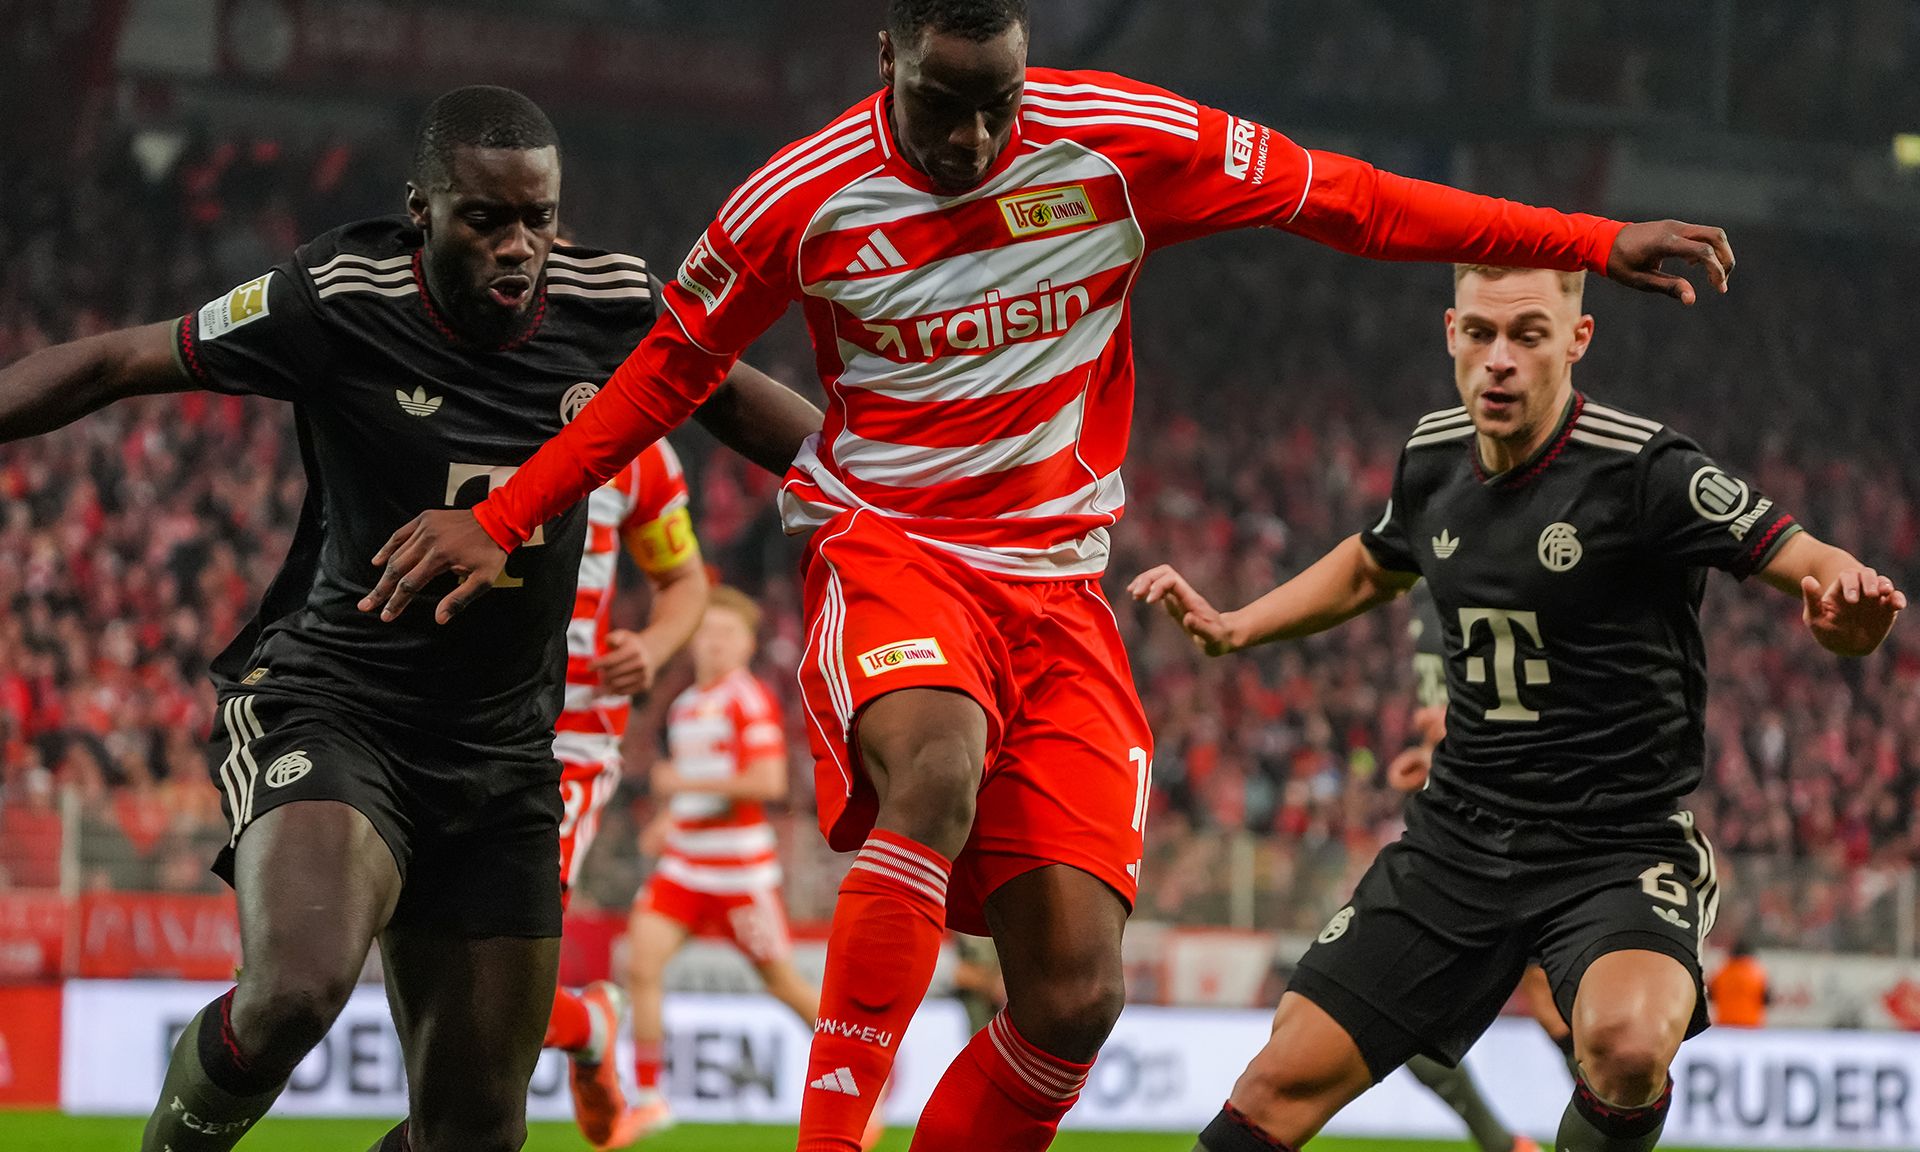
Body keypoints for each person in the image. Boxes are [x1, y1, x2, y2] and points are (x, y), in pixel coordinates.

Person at [359, 3, 1738, 1147]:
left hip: (1060, 590)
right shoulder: (799, 197)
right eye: (944, 104)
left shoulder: (1119, 139)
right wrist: (509, 514)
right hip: (891, 549)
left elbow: (1357, 202)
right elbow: (668, 372)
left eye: (998, 104)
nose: (974, 137)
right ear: (885, 49)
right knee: (936, 765)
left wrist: (1588, 241)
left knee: (1075, 995)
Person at [0, 85, 820, 1152]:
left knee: (477, 1131)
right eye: (487, 219)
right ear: (420, 210)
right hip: (336, 707)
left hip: (504, 748)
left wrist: (909, 499)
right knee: (297, 988)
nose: (519, 246)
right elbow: (118, 361)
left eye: (539, 218)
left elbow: (748, 403)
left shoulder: (614, 302)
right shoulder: (335, 296)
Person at [1129, 263, 1903, 1152]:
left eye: (1529, 335)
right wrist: (1236, 626)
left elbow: (1809, 559)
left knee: (1624, 1047)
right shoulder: (1430, 457)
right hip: (1459, 838)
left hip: (1616, 846)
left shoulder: (1647, 469)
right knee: (1275, 1085)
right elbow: (1373, 562)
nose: (1500, 359)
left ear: (1576, 342)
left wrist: (1849, 615)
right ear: (1450, 332)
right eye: (1482, 335)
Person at [616, 586, 882, 1148]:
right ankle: (649, 1098)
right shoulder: (687, 704)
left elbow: (767, 783)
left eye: (724, 635)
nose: (712, 644)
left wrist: (680, 784)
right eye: (705, 633)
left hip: (740, 876)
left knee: (783, 985)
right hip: (685, 866)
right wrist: (670, 819)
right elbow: (699, 791)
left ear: (745, 644)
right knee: (640, 965)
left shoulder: (748, 699)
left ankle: (864, 1078)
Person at [543, 437, 712, 1148]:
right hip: (425, 724)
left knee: (491, 985)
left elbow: (685, 582)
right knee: (458, 984)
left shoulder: (636, 443)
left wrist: (652, 645)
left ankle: (590, 1030)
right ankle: (590, 1028)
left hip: (561, 740)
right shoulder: (441, 380)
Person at [1706, 939, 1769, 1028]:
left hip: (1725, 1024)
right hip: (1750, 1025)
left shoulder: (1721, 972)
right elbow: (1766, 999)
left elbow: (1710, 996)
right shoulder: (1758, 974)